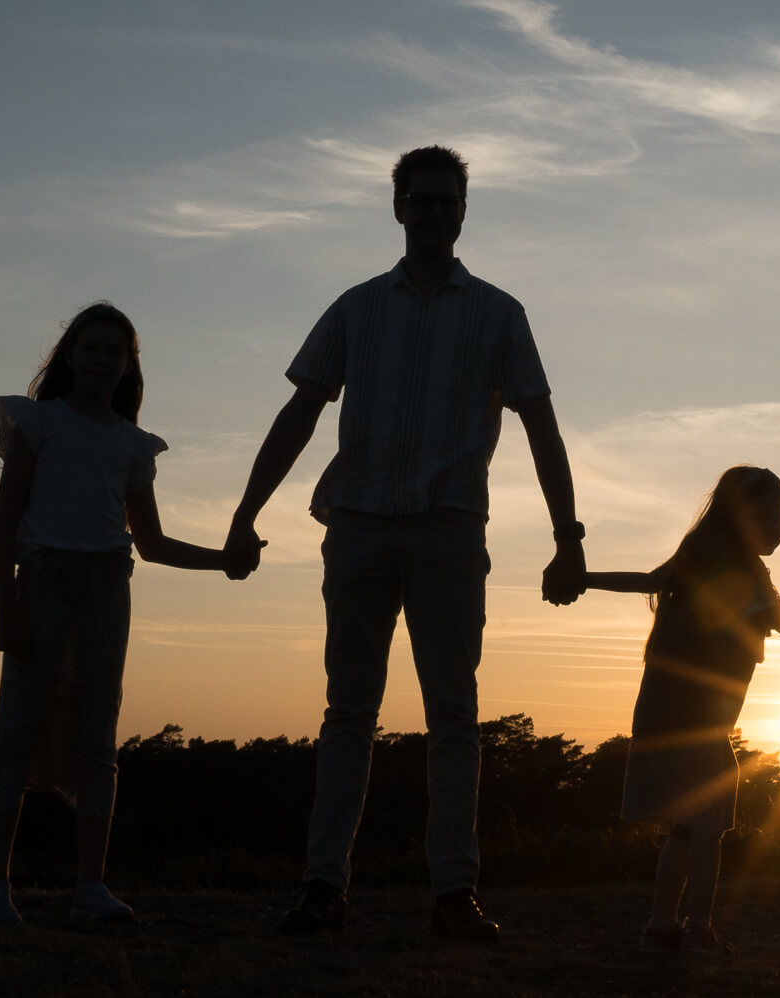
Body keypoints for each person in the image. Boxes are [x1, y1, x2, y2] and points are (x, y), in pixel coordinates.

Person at [222, 145, 586, 942]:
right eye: (420, 200)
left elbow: (543, 427)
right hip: (358, 524)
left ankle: (455, 891)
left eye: (446, 201)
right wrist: (246, 511)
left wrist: (569, 536)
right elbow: (301, 413)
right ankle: (324, 887)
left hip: (449, 527)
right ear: (398, 208)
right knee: (348, 711)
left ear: (462, 211)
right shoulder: (356, 308)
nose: (433, 213)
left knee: (453, 714)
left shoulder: (498, 312)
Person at [0, 302, 238, 924]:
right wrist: (5, 608)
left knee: (96, 732)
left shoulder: (132, 444)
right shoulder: (39, 424)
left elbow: (152, 543)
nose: (100, 359)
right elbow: (5, 526)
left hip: (106, 589)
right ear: (69, 354)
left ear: (128, 367)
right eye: (90, 347)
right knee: (17, 727)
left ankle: (90, 887)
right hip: (43, 582)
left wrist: (222, 560)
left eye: (113, 352)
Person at [584, 466, 780, 953]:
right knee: (709, 826)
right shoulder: (739, 570)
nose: (775, 527)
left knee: (683, 827)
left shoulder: (699, 555)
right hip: (700, 722)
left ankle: (661, 925)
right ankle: (699, 926)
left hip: (665, 715)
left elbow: (646, 580)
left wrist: (582, 578)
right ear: (735, 516)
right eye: (763, 516)